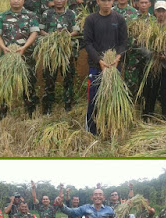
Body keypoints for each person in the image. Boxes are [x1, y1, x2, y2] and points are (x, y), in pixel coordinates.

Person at [84, 0, 128, 135]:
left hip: (113, 66)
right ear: (98, 2)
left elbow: (123, 42)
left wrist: (117, 58)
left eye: (109, 0)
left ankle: (111, 128)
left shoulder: (119, 19)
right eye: (103, 0)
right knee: (94, 98)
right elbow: (87, 43)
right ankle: (92, 130)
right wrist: (99, 61)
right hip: (96, 66)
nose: (106, 3)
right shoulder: (91, 19)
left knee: (112, 97)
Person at [0, 0, 40, 119]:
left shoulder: (31, 16)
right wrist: (3, 48)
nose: (16, 1)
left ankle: (30, 112)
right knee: (3, 84)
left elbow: (34, 33)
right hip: (7, 57)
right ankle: (2, 113)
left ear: (23, 1)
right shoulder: (2, 16)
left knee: (28, 83)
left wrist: (24, 47)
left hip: (26, 57)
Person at [141, 1, 166, 121]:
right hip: (152, 65)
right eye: (158, 11)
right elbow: (142, 45)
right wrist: (151, 55)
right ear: (154, 12)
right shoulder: (149, 26)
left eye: (163, 11)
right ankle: (147, 117)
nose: (161, 13)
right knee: (150, 91)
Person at [39, 0, 80, 114]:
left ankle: (68, 106)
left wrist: (65, 36)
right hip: (51, 53)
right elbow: (41, 30)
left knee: (68, 79)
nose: (59, 1)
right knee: (49, 80)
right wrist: (52, 36)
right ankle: (48, 108)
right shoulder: (47, 14)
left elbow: (76, 30)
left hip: (67, 53)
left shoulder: (71, 13)